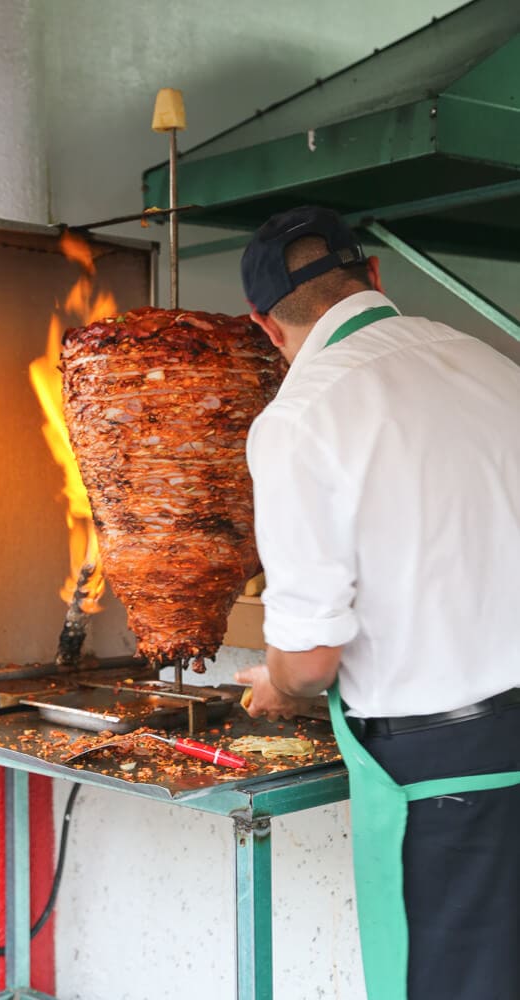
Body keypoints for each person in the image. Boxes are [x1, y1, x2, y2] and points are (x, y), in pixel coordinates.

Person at [233, 205, 520, 1000]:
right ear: (374, 276)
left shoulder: (298, 419)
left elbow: (310, 661)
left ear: (265, 326)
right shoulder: (494, 366)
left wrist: (277, 685)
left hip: (447, 778)